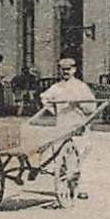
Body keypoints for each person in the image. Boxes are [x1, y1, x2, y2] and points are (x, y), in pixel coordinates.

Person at [35, 57, 96, 199]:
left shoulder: (81, 87)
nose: (66, 72)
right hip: (62, 125)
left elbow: (91, 107)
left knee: (80, 156)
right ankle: (65, 185)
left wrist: (80, 105)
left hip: (78, 125)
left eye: (68, 70)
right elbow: (44, 97)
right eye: (63, 70)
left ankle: (79, 188)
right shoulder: (57, 87)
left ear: (74, 70)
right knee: (62, 157)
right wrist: (51, 105)